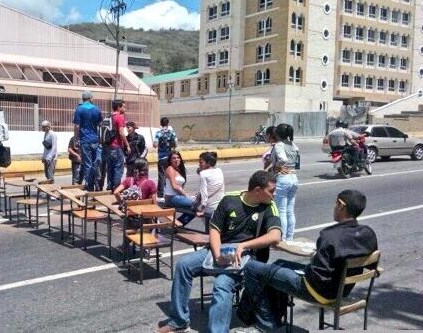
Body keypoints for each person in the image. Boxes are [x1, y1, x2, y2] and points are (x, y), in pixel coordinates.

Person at [156, 170, 281, 333]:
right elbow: (214, 230)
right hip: (218, 250)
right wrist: (217, 255)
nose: (275, 194)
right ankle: (178, 321)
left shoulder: (269, 207)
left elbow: (275, 236)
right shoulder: (230, 200)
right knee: (183, 265)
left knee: (222, 284)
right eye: (271, 191)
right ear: (257, 190)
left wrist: (243, 246)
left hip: (245, 258)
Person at [241, 189, 378, 332]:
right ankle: (276, 317)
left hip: (318, 291)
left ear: (341, 205)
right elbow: (373, 267)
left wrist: (310, 262)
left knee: (252, 268)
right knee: (279, 264)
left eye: (335, 204)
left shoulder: (330, 236)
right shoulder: (368, 233)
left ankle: (267, 325)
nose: (334, 207)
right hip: (343, 290)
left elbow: (316, 277)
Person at [271, 123, 300, 241]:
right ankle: (289, 237)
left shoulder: (279, 145)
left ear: (277, 134)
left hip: (283, 178)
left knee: (281, 210)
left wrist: (276, 167)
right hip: (294, 177)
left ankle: (281, 238)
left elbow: (283, 159)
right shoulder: (294, 145)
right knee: (290, 210)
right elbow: (297, 163)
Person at [73, 91, 102, 190]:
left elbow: (77, 126)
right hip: (95, 139)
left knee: (87, 164)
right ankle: (96, 184)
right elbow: (100, 123)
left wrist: (75, 139)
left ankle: (89, 186)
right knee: (94, 164)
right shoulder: (96, 109)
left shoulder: (79, 109)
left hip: (85, 140)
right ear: (90, 98)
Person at [163, 151, 196, 227]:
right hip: (171, 198)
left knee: (195, 208)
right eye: (174, 158)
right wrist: (186, 196)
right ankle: (177, 225)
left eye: (178, 158)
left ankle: (177, 224)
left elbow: (180, 187)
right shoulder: (170, 168)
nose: (176, 160)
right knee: (195, 205)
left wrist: (189, 195)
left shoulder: (178, 170)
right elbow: (174, 186)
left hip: (177, 197)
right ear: (170, 160)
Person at [194, 152, 224, 229]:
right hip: (220, 205)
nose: (199, 164)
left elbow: (204, 193)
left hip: (209, 207)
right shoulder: (219, 170)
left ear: (208, 163)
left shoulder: (203, 174)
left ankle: (179, 224)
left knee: (209, 229)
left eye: (201, 162)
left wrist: (202, 210)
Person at [106, 100, 130, 190]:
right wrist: (127, 145)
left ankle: (110, 187)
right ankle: (116, 189)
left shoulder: (109, 116)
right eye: (123, 106)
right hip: (117, 146)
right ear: (119, 107)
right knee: (118, 169)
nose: (125, 108)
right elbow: (121, 133)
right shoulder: (119, 117)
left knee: (110, 168)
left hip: (109, 147)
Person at [153, 117, 177, 197]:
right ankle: (170, 192)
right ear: (167, 123)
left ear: (161, 124)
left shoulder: (158, 133)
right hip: (170, 157)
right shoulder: (172, 133)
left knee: (161, 175)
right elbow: (175, 144)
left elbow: (155, 145)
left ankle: (160, 194)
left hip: (161, 158)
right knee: (170, 174)